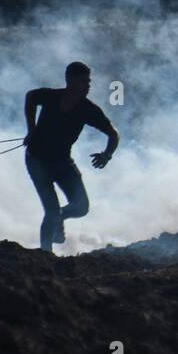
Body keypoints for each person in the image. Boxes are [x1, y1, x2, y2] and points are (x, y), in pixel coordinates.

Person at [24, 62, 119, 251]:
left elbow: (113, 134)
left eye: (89, 82)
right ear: (70, 80)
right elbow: (30, 97)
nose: (87, 86)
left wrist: (106, 155)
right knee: (51, 210)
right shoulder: (51, 96)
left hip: (63, 162)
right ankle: (45, 253)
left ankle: (58, 219)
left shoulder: (88, 109)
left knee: (81, 207)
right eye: (83, 81)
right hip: (37, 160)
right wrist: (31, 129)